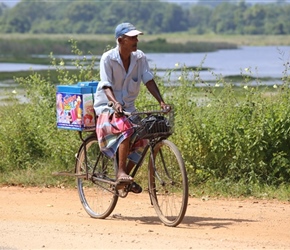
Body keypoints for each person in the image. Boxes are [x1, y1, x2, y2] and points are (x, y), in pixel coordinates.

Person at [94, 22, 170, 193]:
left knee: (144, 135)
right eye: (132, 38)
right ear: (121, 40)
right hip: (107, 107)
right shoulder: (108, 58)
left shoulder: (140, 57)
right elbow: (106, 85)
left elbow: (148, 80)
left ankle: (124, 177)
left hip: (128, 108)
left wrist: (161, 102)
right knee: (126, 129)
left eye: (136, 37)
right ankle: (120, 171)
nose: (136, 40)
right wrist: (114, 103)